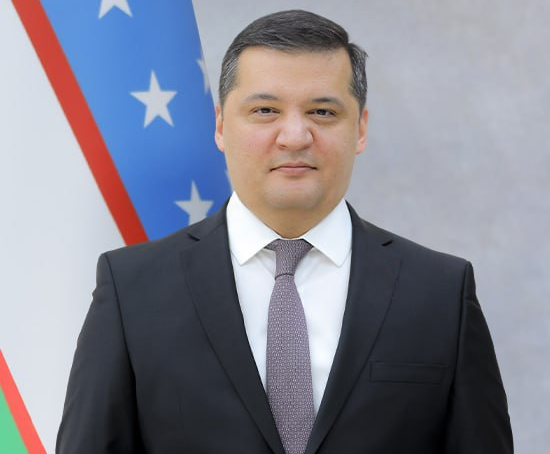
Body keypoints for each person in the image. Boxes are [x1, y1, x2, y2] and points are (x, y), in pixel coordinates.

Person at [56, 9, 513, 454]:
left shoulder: (441, 293)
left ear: (360, 129)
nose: (294, 136)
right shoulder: (132, 290)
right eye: (265, 110)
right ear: (220, 125)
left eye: (322, 112)